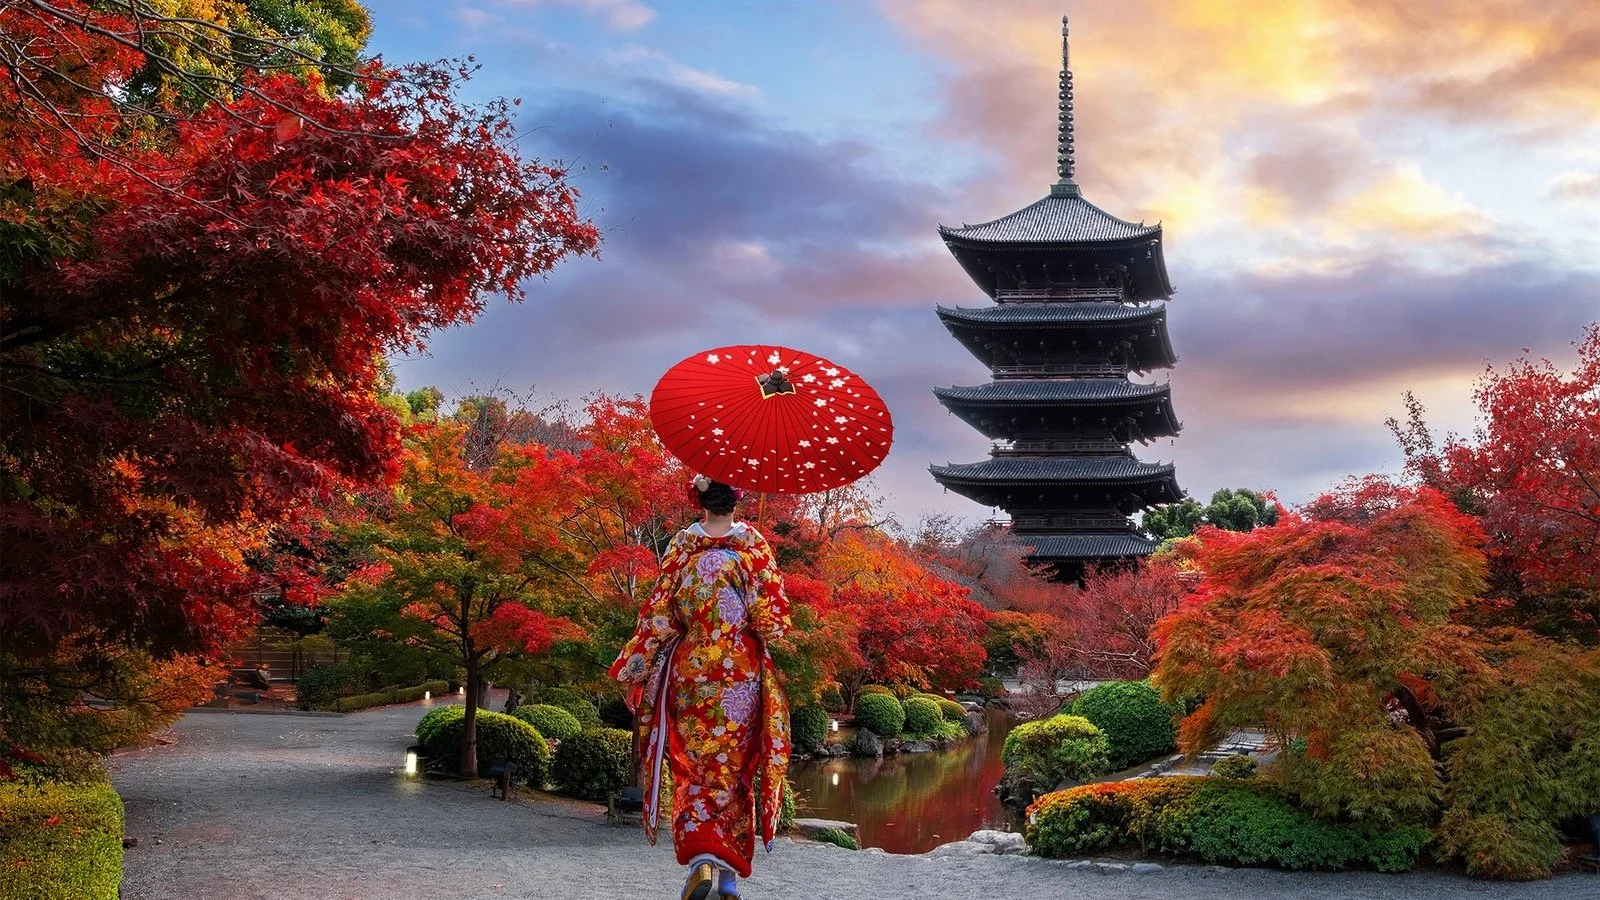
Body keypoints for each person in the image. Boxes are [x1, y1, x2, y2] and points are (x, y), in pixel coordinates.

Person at [610, 475, 791, 900]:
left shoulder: (681, 549)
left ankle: (701, 864)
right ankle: (727, 877)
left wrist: (633, 670)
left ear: (700, 501)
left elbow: (658, 616)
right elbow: (775, 623)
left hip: (690, 676)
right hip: (740, 680)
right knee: (735, 775)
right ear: (737, 502)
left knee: (693, 770)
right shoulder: (753, 549)